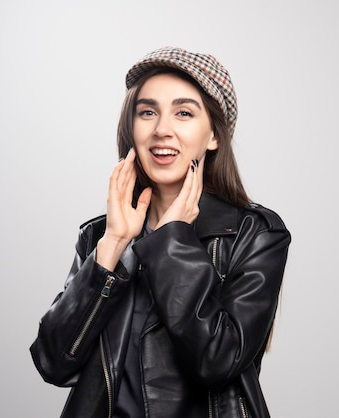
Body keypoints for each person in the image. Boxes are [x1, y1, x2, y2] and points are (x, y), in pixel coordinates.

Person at [30, 46, 291, 418]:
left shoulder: (255, 234)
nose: (162, 130)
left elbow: (216, 361)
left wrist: (173, 239)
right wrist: (114, 245)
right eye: (147, 112)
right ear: (131, 128)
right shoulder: (100, 236)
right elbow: (54, 363)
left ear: (214, 136)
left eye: (183, 113)